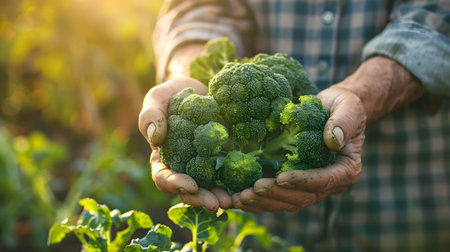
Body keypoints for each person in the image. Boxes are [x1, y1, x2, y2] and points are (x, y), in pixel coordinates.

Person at [139, 0, 450, 250]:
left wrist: (362, 94)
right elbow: (201, 9)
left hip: (406, 213)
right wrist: (187, 72)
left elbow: (436, 16)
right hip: (268, 233)